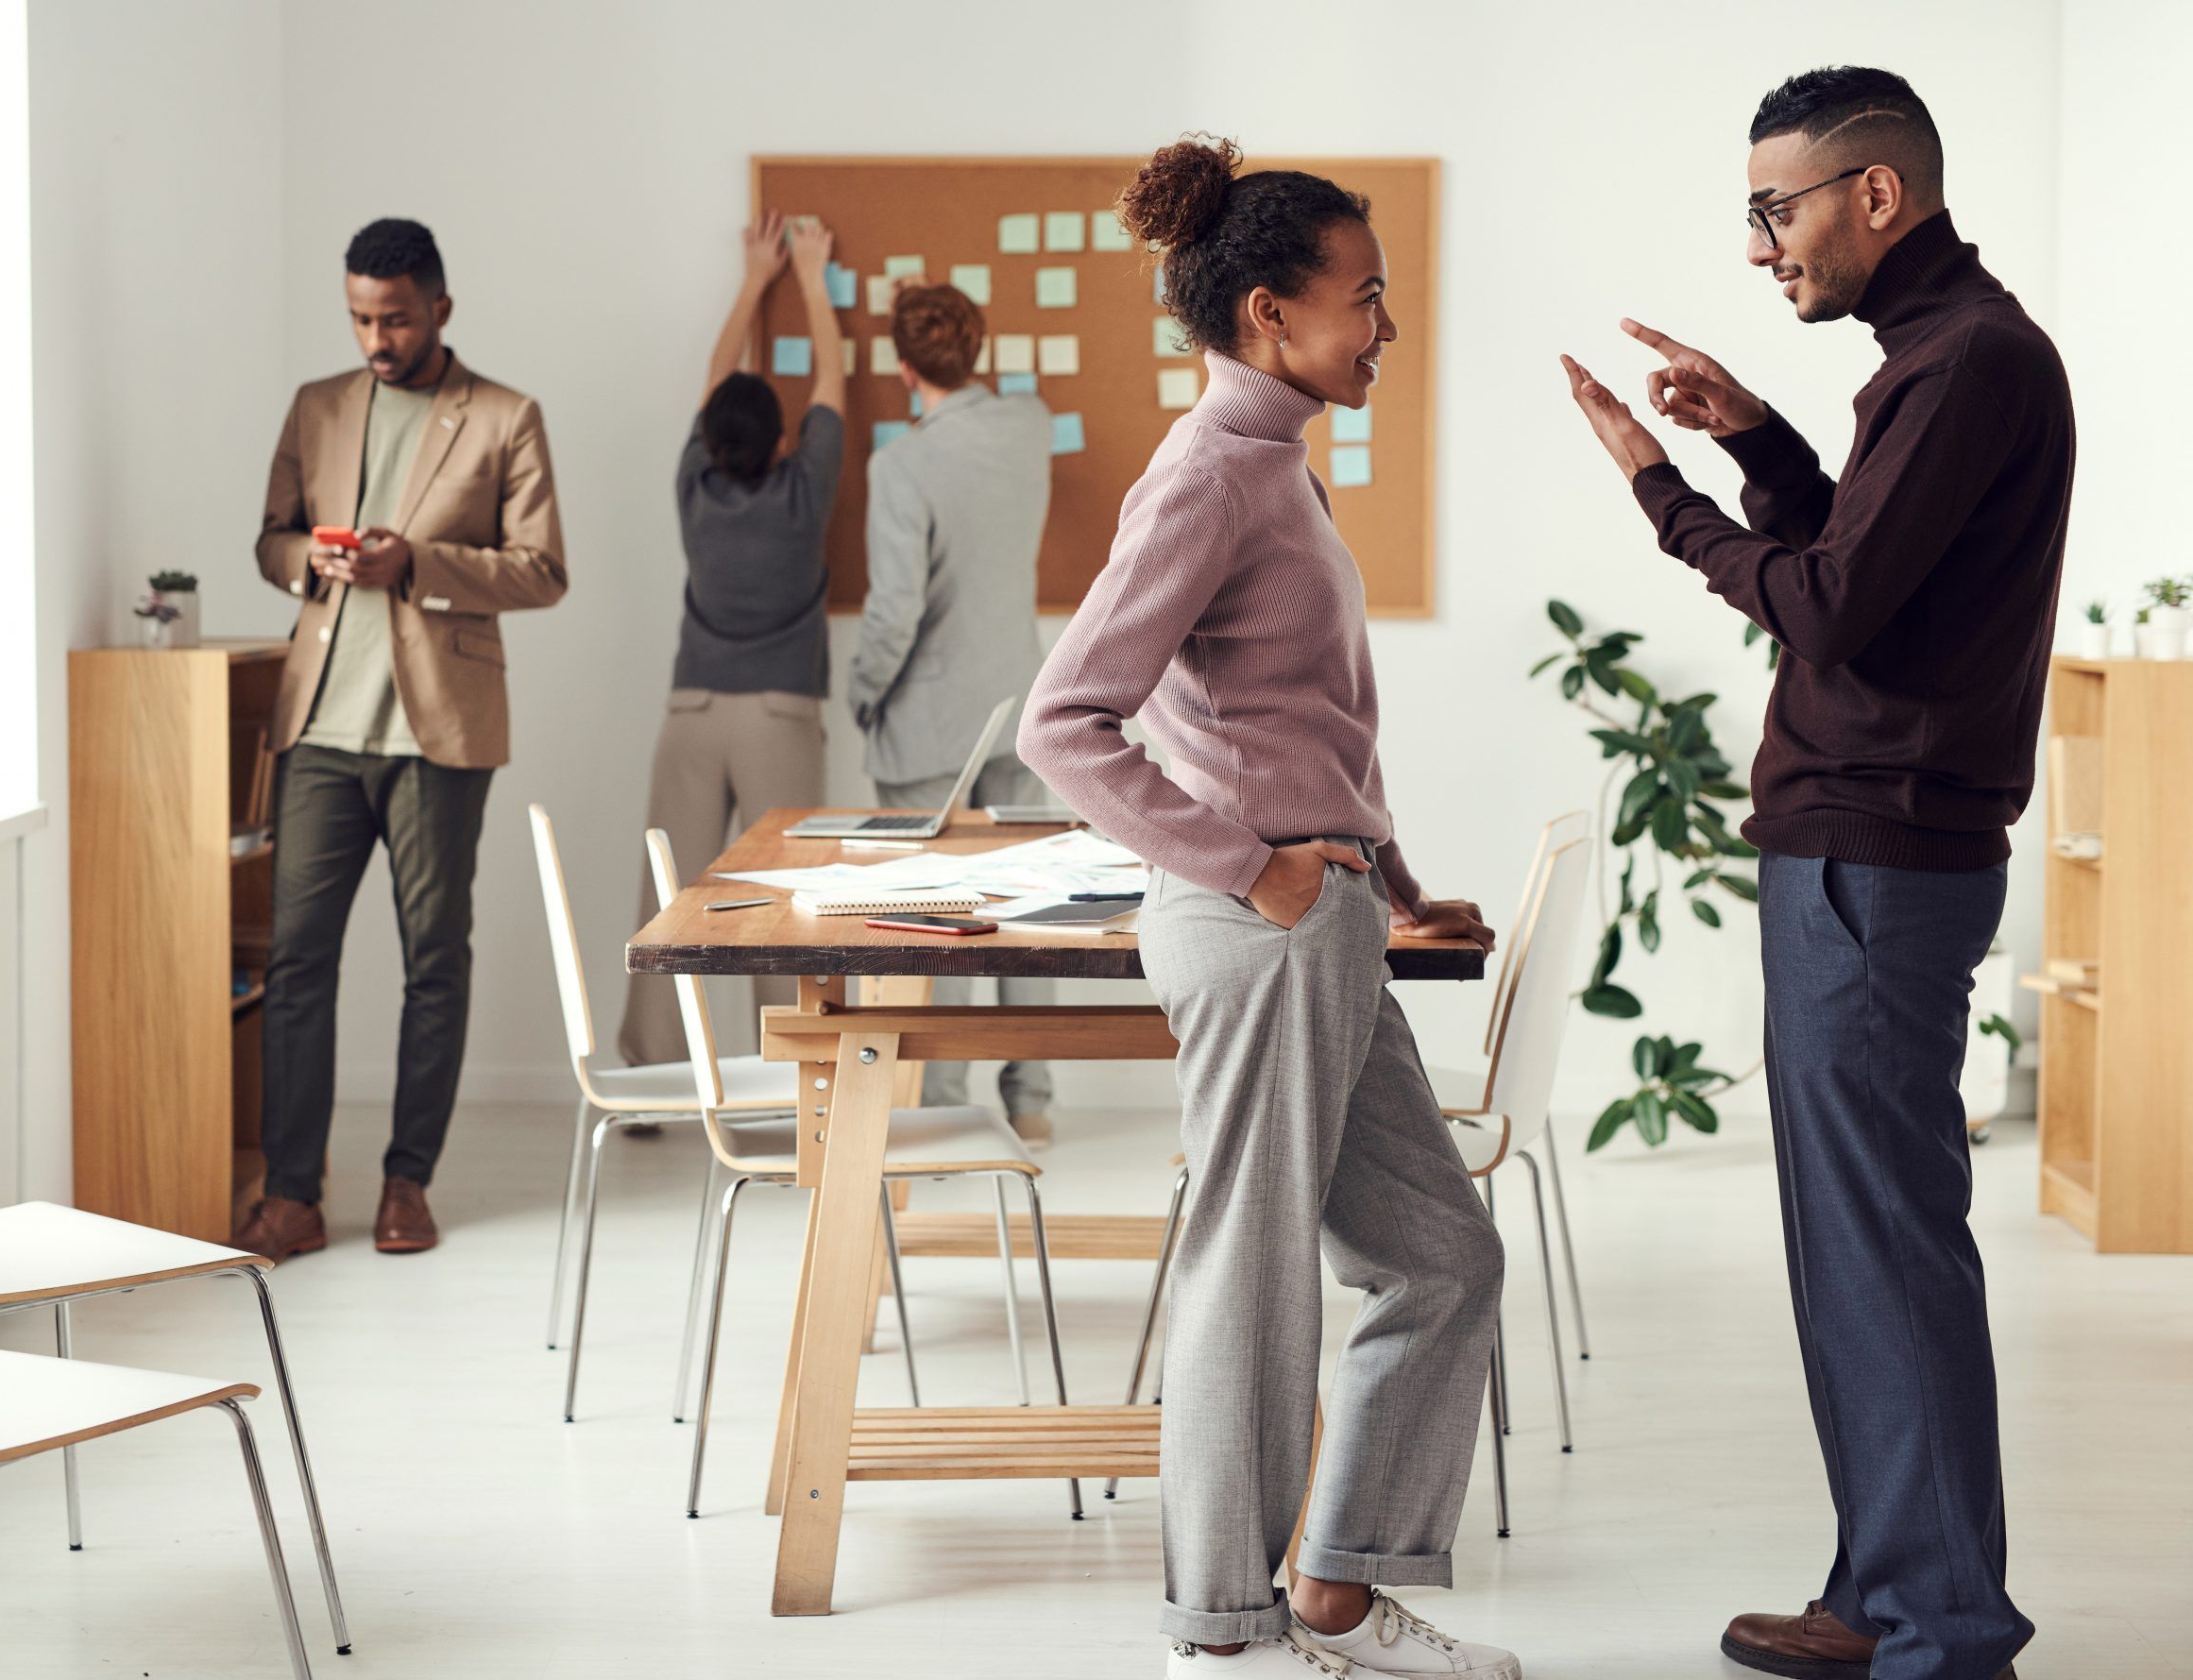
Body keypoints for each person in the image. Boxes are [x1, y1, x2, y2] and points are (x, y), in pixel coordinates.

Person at [1560, 67, 2068, 1680]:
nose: (1763, 245)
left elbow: (1834, 606)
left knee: (1887, 1242)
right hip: (1864, 847)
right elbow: (1880, 566)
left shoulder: (1967, 359)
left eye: (1777, 209)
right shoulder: (1936, 358)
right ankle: (1891, 1588)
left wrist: (1660, 492)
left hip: (1876, 852)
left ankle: (1943, 1623)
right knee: (1862, 1244)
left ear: (1876, 195)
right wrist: (1761, 438)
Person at [1020, 136, 1510, 1679]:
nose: (1385, 327)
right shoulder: (1212, 475)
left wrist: (1380, 861)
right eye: (1364, 297)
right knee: (1256, 1264)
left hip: (1325, 908)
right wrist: (1257, 863)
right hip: (1262, 923)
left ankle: (1337, 1592)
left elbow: (1282, 712)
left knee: (1442, 1258)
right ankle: (1222, 1628)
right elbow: (1065, 719)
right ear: (1264, 309)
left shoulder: (1268, 464)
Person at [236, 217, 568, 1262]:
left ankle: (405, 1183)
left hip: (438, 735)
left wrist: (416, 564)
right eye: (360, 318)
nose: (377, 338)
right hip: (322, 728)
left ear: (439, 309)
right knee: (297, 964)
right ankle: (292, 1193)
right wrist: (314, 562)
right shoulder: (318, 407)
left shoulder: (506, 418)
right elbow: (270, 537)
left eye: (395, 318)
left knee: (434, 960)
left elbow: (542, 569)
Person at [616, 212, 846, 1066]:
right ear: (786, 442)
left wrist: (756, 275)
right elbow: (833, 380)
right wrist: (815, 277)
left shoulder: (695, 487)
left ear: (710, 440)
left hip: (692, 710)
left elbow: (719, 379)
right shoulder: (804, 493)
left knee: (669, 893)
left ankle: (644, 1065)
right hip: (781, 716)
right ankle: (792, 1068)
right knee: (787, 899)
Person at [849, 280, 1059, 1142]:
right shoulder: (1031, 427)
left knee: (938, 912)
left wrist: (864, 691)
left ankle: (941, 1108)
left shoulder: (899, 465)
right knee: (1028, 901)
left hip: (931, 721)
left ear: (901, 368)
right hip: (1021, 700)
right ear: (976, 351)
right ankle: (1032, 1101)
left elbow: (894, 610)